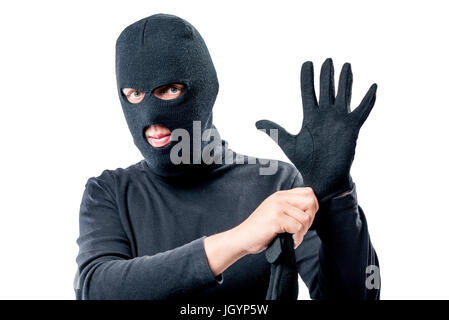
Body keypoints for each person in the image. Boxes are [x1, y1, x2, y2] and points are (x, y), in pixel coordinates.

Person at [74, 13, 380, 300]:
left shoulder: (277, 184)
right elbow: (96, 288)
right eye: (133, 94)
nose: (150, 115)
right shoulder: (109, 192)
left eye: (168, 90)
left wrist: (337, 198)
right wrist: (241, 239)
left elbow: (357, 295)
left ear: (204, 90)